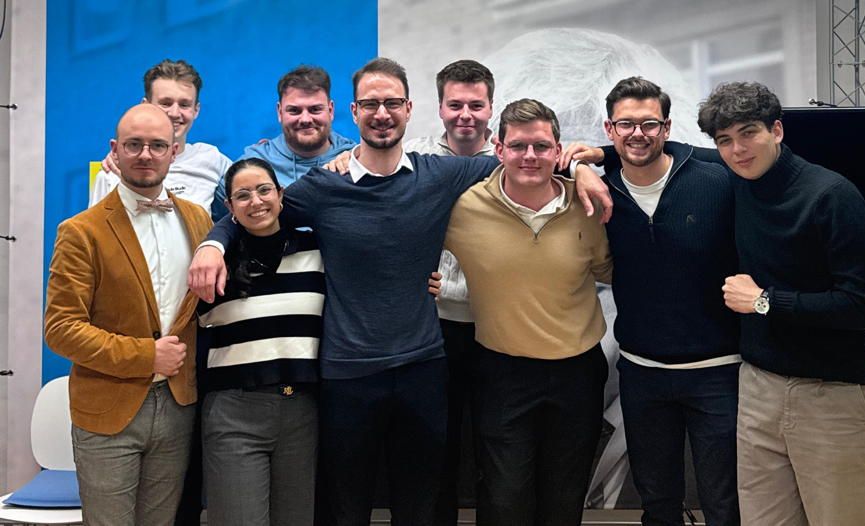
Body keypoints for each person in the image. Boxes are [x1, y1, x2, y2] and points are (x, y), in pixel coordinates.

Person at [189, 57, 610, 526]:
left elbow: (526, 159)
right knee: (345, 509)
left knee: (422, 508)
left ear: (409, 109)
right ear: (353, 111)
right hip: (347, 374)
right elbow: (257, 210)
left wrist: (583, 167)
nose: (382, 113)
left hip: (422, 369)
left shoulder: (441, 175)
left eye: (392, 102)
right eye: (371, 104)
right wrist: (213, 243)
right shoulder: (324, 185)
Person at [698, 82, 865, 525]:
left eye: (749, 133)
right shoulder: (737, 177)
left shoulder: (831, 195)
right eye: (725, 140)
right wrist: (590, 160)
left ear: (777, 130)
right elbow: (669, 153)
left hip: (831, 397)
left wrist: (765, 302)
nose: (738, 149)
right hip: (758, 388)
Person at [444, 98, 612, 526]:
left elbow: (613, 270)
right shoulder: (464, 208)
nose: (530, 157)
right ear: (499, 149)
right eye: (518, 146)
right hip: (502, 372)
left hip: (577, 371)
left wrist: (585, 168)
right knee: (504, 498)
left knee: (564, 496)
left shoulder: (589, 204)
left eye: (541, 146)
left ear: (558, 150)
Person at [44, 103, 213, 526]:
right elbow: (61, 329)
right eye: (134, 145)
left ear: (174, 151)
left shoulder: (199, 221)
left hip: (178, 405)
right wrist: (146, 356)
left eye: (157, 145)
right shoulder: (80, 231)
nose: (145, 155)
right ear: (115, 150)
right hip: (108, 409)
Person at [597, 77, 740, 525]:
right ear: (609, 129)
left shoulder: (717, 179)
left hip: (719, 372)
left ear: (667, 127)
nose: (637, 133)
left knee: (724, 503)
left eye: (649, 123)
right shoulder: (600, 193)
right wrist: (587, 163)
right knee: (658, 504)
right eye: (626, 124)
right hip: (642, 374)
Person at [197, 158, 324, 526]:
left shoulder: (317, 251)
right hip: (234, 411)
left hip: (301, 411)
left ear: (280, 195)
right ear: (229, 206)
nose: (256, 201)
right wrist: (214, 244)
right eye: (243, 195)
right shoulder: (214, 261)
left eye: (264, 190)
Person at [406, 58, 495, 525]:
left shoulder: (513, 157)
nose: (465, 115)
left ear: (490, 107)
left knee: (495, 446)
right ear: (439, 107)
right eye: (455, 104)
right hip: (434, 327)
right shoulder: (414, 158)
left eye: (475, 105)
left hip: (496, 327)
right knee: (436, 445)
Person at [210, 65, 355, 220]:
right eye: (294, 111)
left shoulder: (355, 159)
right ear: (280, 112)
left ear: (330, 110)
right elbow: (217, 216)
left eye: (315, 109)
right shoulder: (257, 161)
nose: (305, 119)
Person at [91, 59, 231, 212]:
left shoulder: (211, 158)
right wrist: (124, 155)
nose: (175, 113)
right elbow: (93, 225)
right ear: (145, 106)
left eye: (184, 105)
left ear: (196, 110)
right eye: (165, 103)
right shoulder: (111, 172)